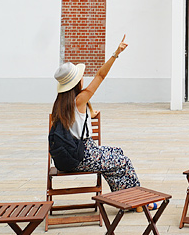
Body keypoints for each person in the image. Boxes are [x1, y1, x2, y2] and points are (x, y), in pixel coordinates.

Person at [50, 35, 141, 192]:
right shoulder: (80, 100)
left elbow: (74, 122)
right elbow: (100, 76)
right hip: (82, 155)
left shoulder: (61, 104)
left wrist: (90, 113)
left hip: (72, 155)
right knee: (123, 161)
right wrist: (116, 53)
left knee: (116, 153)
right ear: (76, 82)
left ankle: (123, 196)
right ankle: (136, 199)